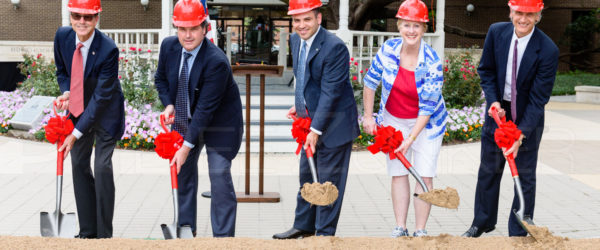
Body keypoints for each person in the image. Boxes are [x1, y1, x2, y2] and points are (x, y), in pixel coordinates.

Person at [462, 0, 558, 237]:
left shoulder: (547, 50)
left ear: (538, 15)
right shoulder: (497, 32)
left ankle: (519, 229)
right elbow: (487, 70)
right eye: (518, 13)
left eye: (529, 14)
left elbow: (538, 99)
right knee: (489, 170)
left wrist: (520, 135)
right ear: (511, 12)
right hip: (499, 113)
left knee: (524, 175)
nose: (523, 19)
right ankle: (481, 222)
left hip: (528, 115)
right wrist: (493, 100)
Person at [154, 0, 243, 237]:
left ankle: (223, 239)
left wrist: (185, 147)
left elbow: (205, 110)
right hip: (185, 117)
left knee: (219, 175)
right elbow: (160, 79)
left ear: (205, 28)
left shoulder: (216, 62)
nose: (188, 35)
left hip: (220, 124)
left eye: (193, 28)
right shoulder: (168, 47)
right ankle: (185, 233)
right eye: (182, 29)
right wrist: (170, 104)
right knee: (182, 174)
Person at [272, 0, 359, 239]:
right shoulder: (296, 39)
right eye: (297, 20)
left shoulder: (335, 47)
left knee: (328, 183)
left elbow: (331, 92)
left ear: (318, 19)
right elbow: (306, 80)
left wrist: (316, 129)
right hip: (313, 120)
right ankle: (304, 225)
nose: (301, 25)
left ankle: (324, 233)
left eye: (307, 19)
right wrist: (300, 106)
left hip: (335, 125)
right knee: (307, 177)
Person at [362, 0, 447, 238]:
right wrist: (368, 117)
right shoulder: (388, 50)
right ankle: (401, 226)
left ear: (424, 29)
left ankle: (420, 230)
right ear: (399, 26)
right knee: (398, 172)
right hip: (393, 119)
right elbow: (370, 82)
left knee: (424, 173)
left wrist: (411, 138)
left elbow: (428, 107)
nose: (411, 31)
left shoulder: (431, 62)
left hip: (427, 124)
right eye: (407, 25)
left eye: (417, 26)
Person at [54, 0, 125, 239]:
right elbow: (62, 71)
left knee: (102, 167)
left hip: (106, 111)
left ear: (97, 19)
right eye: (77, 15)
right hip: (77, 108)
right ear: (70, 15)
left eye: (88, 17)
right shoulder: (62, 36)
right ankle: (87, 231)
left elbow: (101, 98)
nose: (82, 21)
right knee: (78, 165)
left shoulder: (108, 49)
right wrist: (66, 92)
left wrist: (75, 134)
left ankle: (104, 235)